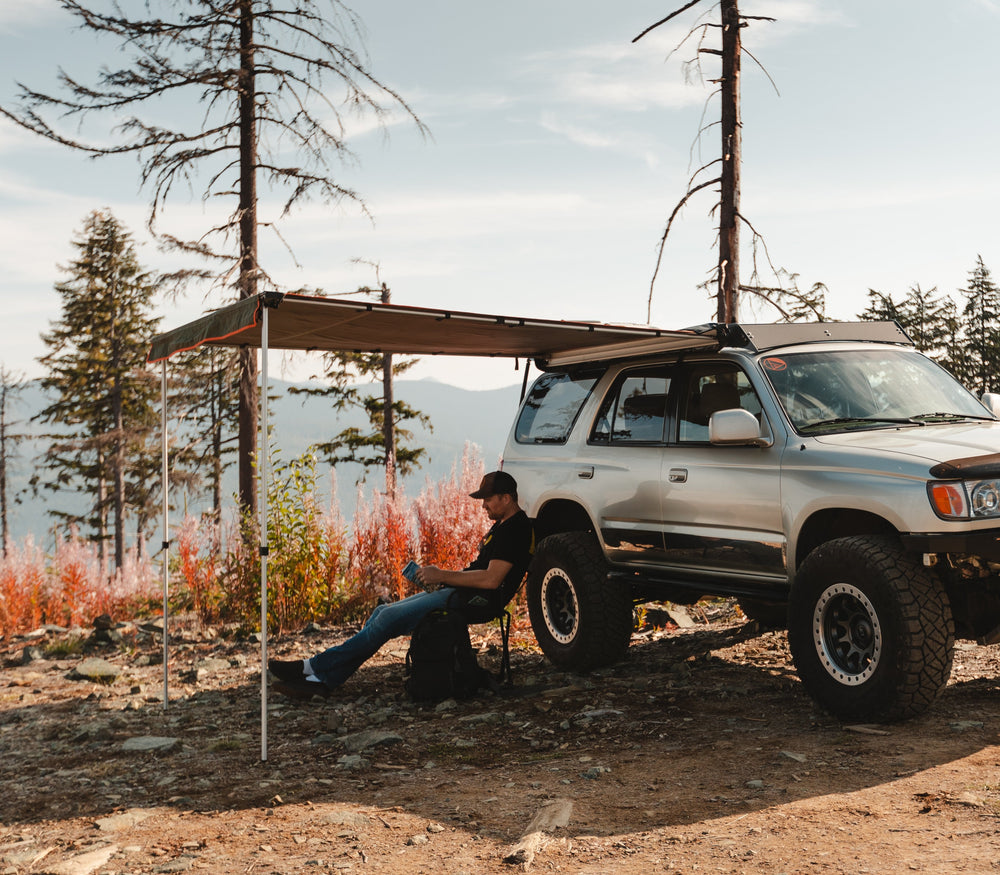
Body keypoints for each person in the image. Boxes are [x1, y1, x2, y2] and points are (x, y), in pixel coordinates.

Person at [268, 470, 534, 699]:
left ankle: (311, 669)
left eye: (488, 499)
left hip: (477, 601)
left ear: (506, 498)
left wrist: (441, 575)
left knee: (388, 618)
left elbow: (491, 579)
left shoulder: (515, 530)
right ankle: (321, 680)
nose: (483, 505)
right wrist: (438, 578)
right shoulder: (502, 526)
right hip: (460, 592)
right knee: (383, 613)